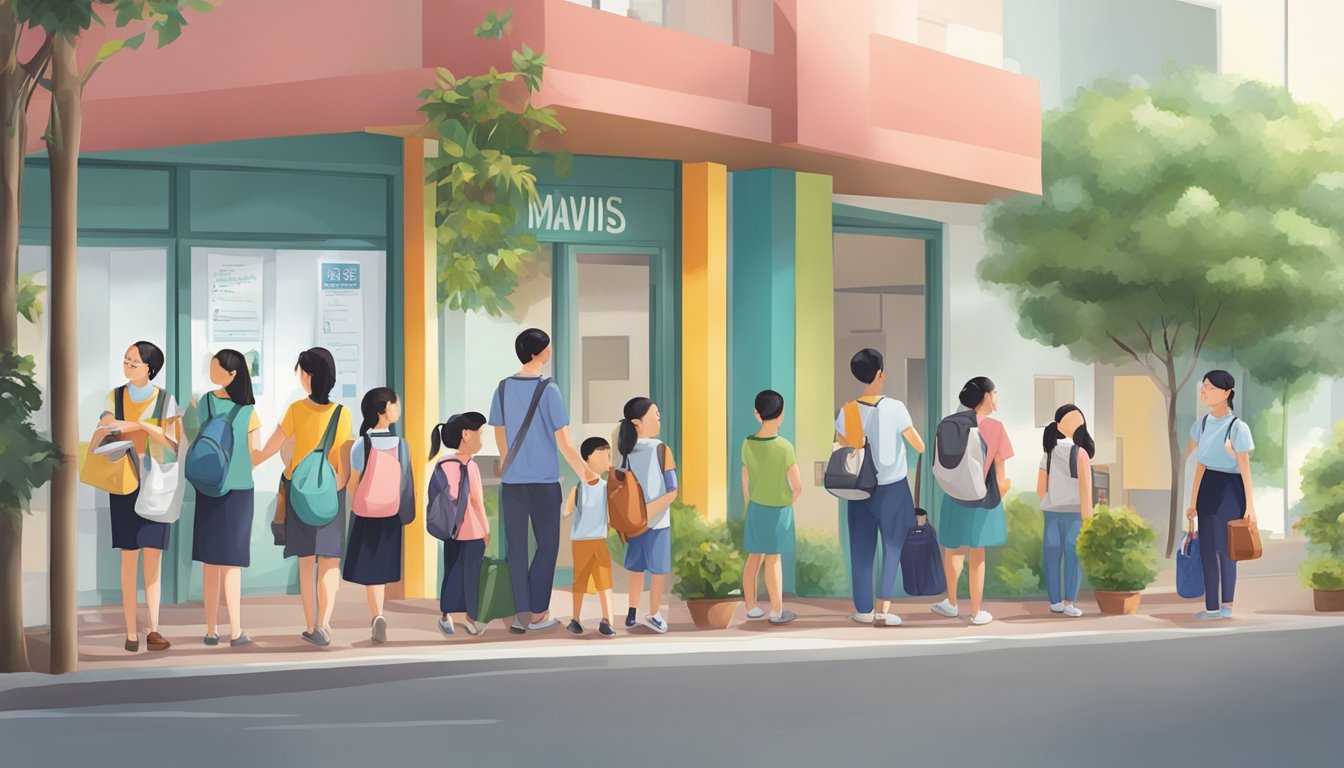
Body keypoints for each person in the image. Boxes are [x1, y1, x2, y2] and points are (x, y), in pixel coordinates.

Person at [253, 347, 353, 647]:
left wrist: (252, 457)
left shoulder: (297, 409)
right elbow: (342, 463)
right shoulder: (342, 413)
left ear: (308, 376)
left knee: (306, 563)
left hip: (300, 492)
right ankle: (324, 624)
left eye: (300, 370)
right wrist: (337, 486)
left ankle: (311, 626)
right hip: (330, 495)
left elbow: (269, 449)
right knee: (330, 562)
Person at [489, 329, 586, 634]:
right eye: (547, 346)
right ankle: (538, 613)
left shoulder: (503, 388)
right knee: (546, 546)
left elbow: (499, 432)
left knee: (516, 548)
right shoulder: (549, 390)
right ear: (537, 353)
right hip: (544, 482)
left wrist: (508, 463)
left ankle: (521, 614)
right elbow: (565, 444)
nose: (550, 350)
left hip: (513, 483)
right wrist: (587, 475)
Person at [88, 341, 182, 653]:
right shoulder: (114, 396)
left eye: (134, 363)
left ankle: (153, 629)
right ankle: (131, 633)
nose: (127, 366)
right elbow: (106, 425)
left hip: (157, 486)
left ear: (150, 369)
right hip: (125, 485)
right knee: (128, 562)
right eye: (126, 360)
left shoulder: (166, 400)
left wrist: (139, 425)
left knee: (153, 561)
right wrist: (118, 427)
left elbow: (174, 444)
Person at [834, 349, 926, 627]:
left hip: (858, 490)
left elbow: (842, 448)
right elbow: (919, 446)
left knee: (861, 550)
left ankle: (863, 610)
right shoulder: (895, 408)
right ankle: (884, 611)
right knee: (893, 546)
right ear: (880, 374)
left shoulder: (846, 411)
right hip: (893, 490)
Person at [191, 349, 259, 647]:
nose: (211, 371)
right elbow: (254, 456)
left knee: (210, 563)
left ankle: (210, 631)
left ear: (232, 375)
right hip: (238, 491)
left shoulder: (203, 402)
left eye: (216, 368)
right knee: (231, 565)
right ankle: (235, 631)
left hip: (207, 488)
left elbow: (191, 438)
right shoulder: (249, 412)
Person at [932, 376, 1013, 626]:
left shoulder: (948, 424)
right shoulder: (996, 427)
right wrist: (1002, 491)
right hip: (982, 499)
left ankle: (952, 604)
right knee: (977, 555)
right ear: (986, 396)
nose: (997, 397)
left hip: (954, 496)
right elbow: (1000, 475)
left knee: (953, 551)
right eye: (995, 392)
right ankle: (976, 613)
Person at [1185, 370, 1255, 621]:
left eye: (1211, 387)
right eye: (1204, 386)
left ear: (1227, 393)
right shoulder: (1201, 424)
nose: (1205, 391)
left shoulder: (1238, 427)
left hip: (1231, 489)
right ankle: (1211, 607)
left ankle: (1227, 606)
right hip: (1207, 488)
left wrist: (1250, 506)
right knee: (1206, 549)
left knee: (1227, 550)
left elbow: (1245, 468)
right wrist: (1192, 502)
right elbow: (1198, 465)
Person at [345, 387, 411, 644]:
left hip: (366, 512)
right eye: (396, 404)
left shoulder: (362, 444)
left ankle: (378, 614)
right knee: (383, 567)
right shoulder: (401, 444)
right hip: (391, 512)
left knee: (370, 569)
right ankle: (379, 615)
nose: (398, 408)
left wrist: (362, 501)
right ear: (384, 409)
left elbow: (353, 483)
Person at [741, 390, 803, 626]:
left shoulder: (747, 443)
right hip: (779, 510)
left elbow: (745, 481)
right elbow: (798, 486)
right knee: (773, 559)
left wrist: (751, 504)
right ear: (782, 414)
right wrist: (789, 501)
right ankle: (776, 611)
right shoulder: (785, 447)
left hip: (756, 508)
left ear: (757, 414)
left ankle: (751, 606)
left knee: (753, 557)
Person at [618, 397, 679, 634]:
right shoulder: (661, 449)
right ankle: (651, 613)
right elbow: (672, 490)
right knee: (657, 571)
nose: (659, 418)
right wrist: (649, 512)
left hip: (636, 524)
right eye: (655, 414)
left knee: (637, 569)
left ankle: (635, 613)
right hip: (657, 523)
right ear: (637, 422)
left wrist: (638, 514)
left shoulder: (627, 453)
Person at [432, 412, 490, 637]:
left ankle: (446, 615)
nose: (481, 440)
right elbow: (477, 502)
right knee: (471, 575)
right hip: (473, 531)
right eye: (479, 434)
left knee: (452, 572)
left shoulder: (443, 463)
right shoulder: (471, 466)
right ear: (465, 434)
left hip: (450, 531)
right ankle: (472, 619)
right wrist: (486, 529)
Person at [1037, 404, 1095, 618]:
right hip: (1075, 515)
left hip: (1051, 514)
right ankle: (1069, 602)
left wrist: (1052, 500)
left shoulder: (1048, 454)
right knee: (1073, 558)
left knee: (1051, 556)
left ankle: (1055, 602)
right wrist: (1087, 520)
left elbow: (1039, 489)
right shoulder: (1081, 454)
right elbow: (1086, 491)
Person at [563, 437, 617, 637]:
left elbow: (566, 511)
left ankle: (606, 620)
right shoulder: (579, 488)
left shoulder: (605, 487)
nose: (609, 461)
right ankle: (578, 619)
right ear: (589, 457)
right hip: (584, 540)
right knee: (583, 580)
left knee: (602, 581)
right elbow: (566, 510)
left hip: (593, 540)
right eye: (606, 456)